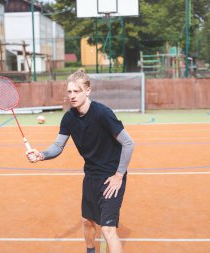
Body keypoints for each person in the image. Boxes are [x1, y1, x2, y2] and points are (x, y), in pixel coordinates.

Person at [26, 69, 134, 253]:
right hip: (91, 176)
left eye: (77, 91)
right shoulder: (69, 118)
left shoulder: (102, 113)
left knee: (108, 229)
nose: (72, 96)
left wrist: (119, 175)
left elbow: (128, 143)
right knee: (87, 221)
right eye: (69, 92)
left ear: (87, 91)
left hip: (111, 178)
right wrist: (42, 155)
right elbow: (58, 146)